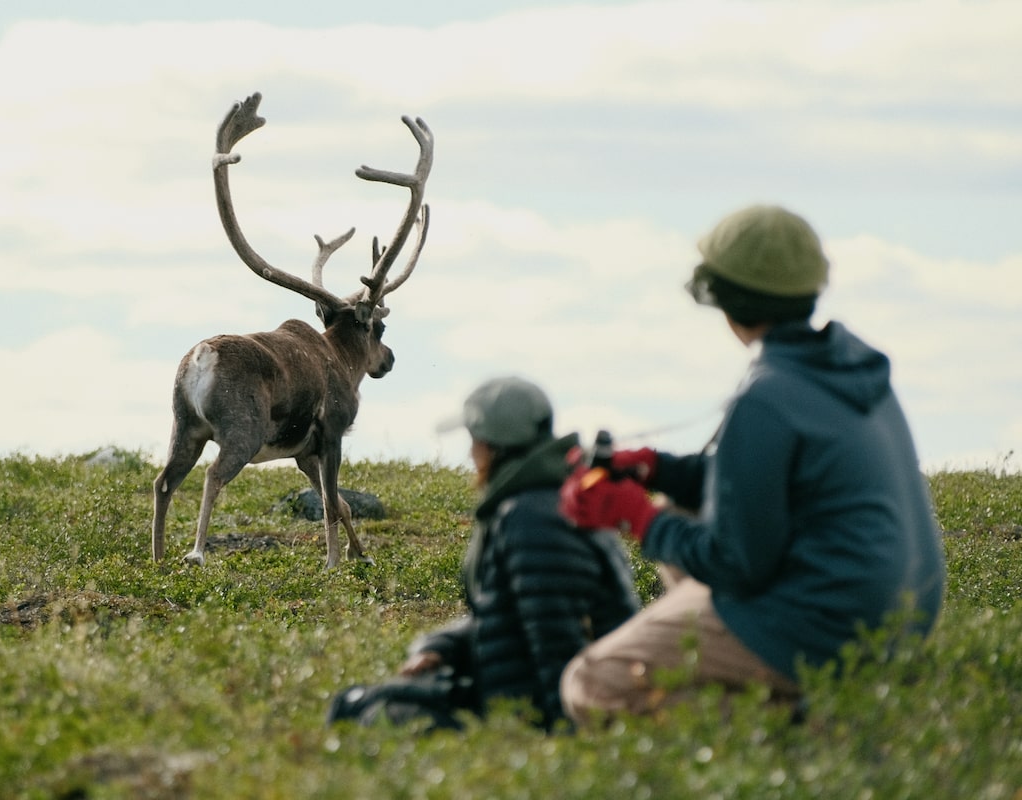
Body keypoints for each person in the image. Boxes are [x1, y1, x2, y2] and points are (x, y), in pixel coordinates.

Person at [557, 204, 946, 724]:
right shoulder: (850, 367)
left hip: (824, 632)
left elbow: (735, 566)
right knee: (684, 508)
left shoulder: (765, 398)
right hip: (897, 620)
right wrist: (656, 468)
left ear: (724, 298)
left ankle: (790, 727)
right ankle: (776, 689)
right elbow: (761, 484)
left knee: (589, 682)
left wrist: (638, 518)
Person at [327, 376, 641, 731]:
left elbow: (559, 645)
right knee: (356, 703)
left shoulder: (534, 520)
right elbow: (520, 616)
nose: (470, 453)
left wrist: (563, 749)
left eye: (474, 441)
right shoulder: (548, 501)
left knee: (367, 715)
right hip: (515, 694)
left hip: (529, 714)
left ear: (493, 446)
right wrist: (445, 645)